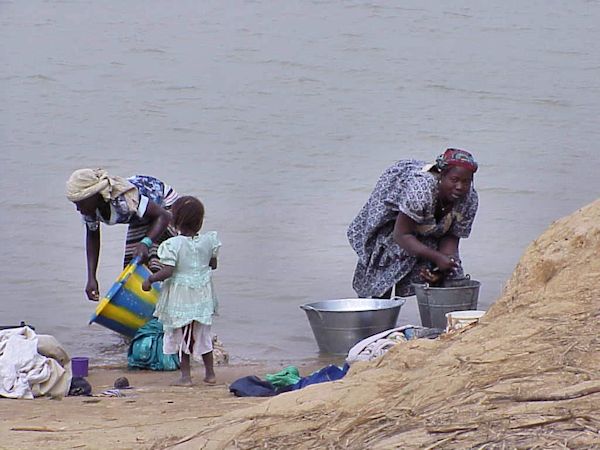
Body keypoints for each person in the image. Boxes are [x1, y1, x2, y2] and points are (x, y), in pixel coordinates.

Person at [347, 148, 479, 298]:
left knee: (448, 274)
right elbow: (401, 235)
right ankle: (377, 314)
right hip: (394, 225)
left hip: (427, 227)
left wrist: (442, 266)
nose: (460, 187)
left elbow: (451, 238)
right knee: (382, 276)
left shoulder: (469, 200)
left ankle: (438, 318)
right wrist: (436, 257)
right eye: (454, 180)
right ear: (442, 175)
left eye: (466, 181)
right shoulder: (421, 191)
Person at [142, 196, 221, 386]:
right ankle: (210, 374)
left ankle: (186, 377)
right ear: (200, 221)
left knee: (183, 335)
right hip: (202, 295)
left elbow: (168, 271)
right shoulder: (209, 241)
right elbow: (213, 264)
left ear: (175, 221)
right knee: (203, 334)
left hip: (182, 298)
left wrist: (151, 279)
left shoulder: (173, 245)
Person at [66, 169, 179, 301]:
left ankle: (167, 303)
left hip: (165, 206)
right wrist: (92, 277)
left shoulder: (122, 201)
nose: (78, 209)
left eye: (80, 203)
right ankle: (147, 307)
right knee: (134, 266)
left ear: (95, 195)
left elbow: (163, 216)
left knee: (157, 260)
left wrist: (146, 242)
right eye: (76, 204)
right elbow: (93, 237)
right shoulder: (89, 210)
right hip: (141, 216)